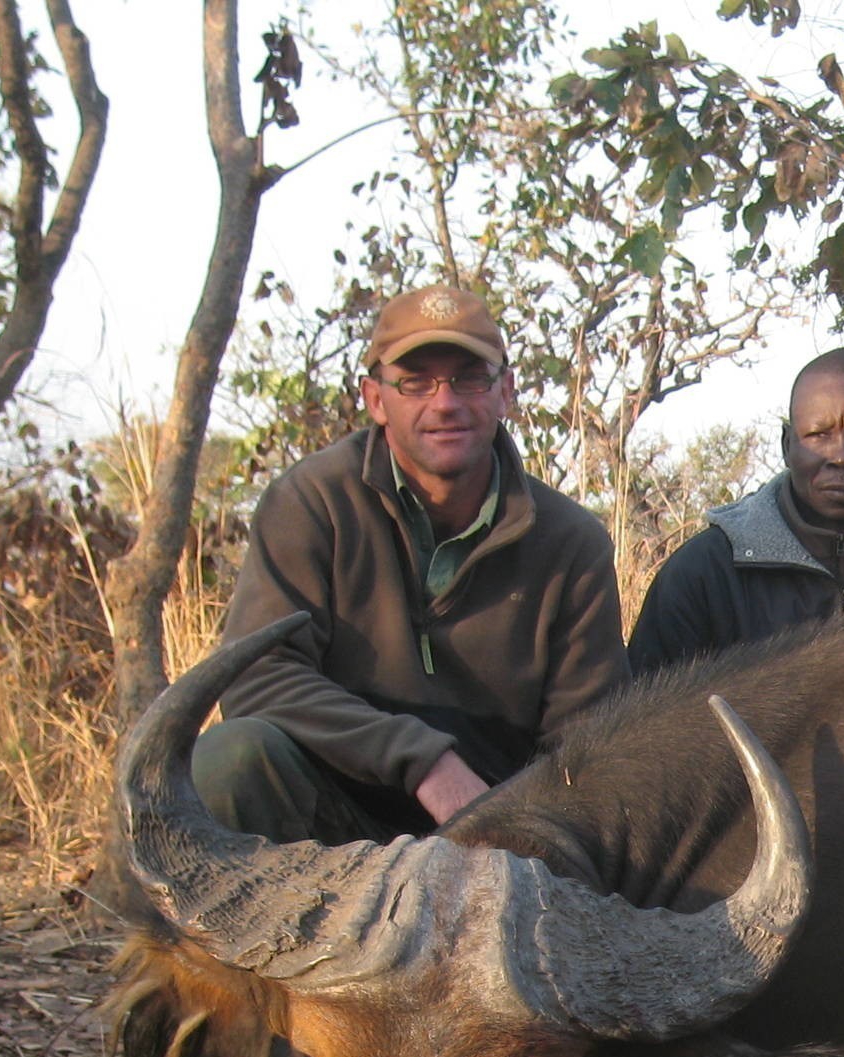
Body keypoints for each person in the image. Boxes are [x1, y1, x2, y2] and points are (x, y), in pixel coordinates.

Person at [202, 283, 625, 841]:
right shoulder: (311, 501)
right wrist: (425, 761)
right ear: (375, 398)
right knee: (229, 759)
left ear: (506, 393)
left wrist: (509, 837)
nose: (444, 403)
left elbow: (586, 747)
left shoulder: (573, 541)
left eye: (470, 379)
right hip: (333, 823)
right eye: (416, 382)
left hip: (496, 841)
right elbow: (256, 679)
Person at [628, 348, 844, 676]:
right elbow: (647, 725)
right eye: (819, 436)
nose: (842, 456)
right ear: (787, 445)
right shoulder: (705, 575)